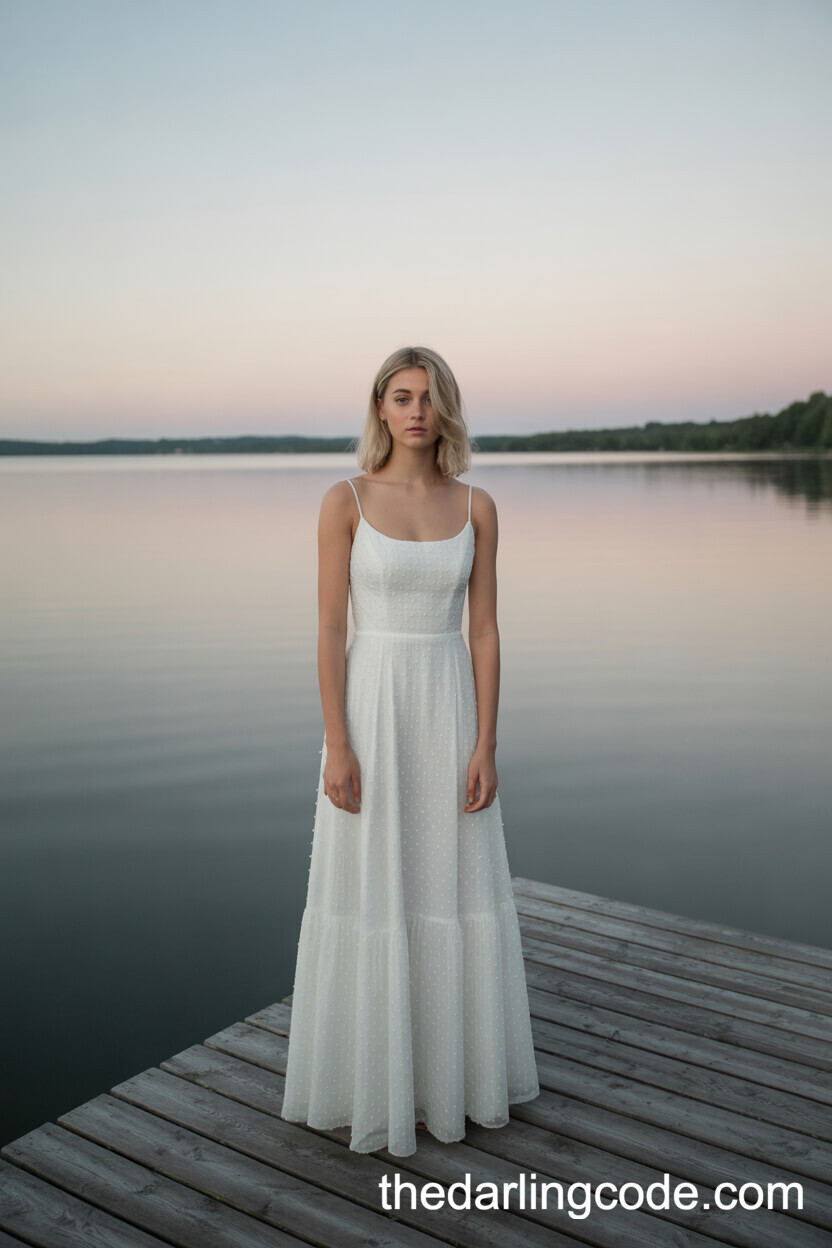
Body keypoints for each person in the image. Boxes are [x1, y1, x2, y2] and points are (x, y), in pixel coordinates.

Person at [280, 345, 540, 1156]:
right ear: (381, 409)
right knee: (373, 890)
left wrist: (487, 742)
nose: (417, 410)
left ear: (446, 408)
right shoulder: (345, 500)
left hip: (448, 709)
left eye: (429, 396)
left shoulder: (478, 506)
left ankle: (447, 1083)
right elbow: (330, 627)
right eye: (402, 396)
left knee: (449, 887)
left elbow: (485, 631)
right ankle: (372, 1081)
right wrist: (337, 742)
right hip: (373, 709)